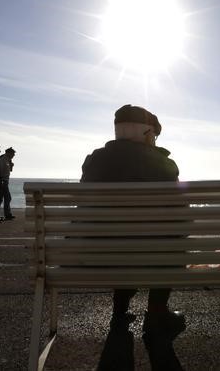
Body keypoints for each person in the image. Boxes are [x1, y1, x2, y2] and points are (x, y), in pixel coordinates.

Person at [80, 104, 185, 345]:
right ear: (148, 133)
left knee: (120, 240)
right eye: (154, 135)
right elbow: (181, 217)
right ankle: (157, 314)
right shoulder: (163, 164)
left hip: (96, 257)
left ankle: (119, 314)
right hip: (151, 257)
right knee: (169, 244)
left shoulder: (94, 160)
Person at [0, 147, 16, 220]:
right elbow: (0, 170)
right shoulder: (3, 159)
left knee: (4, 198)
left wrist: (11, 165)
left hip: (5, 181)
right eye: (13, 154)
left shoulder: (8, 159)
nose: (13, 155)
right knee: (2, 198)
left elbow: (9, 170)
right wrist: (1, 181)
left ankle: (5, 214)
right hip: (2, 181)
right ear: (8, 153)